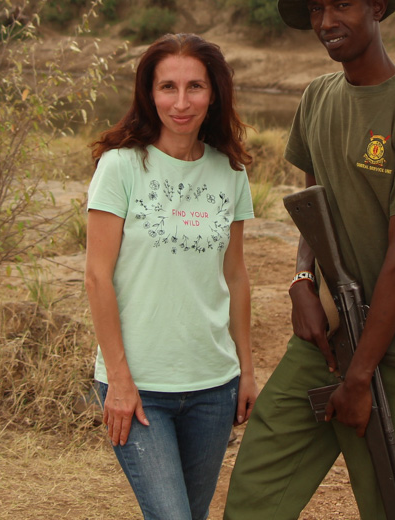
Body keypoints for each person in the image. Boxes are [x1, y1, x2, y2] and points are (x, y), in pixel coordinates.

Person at [224, 0, 395, 519]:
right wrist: (302, 280)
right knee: (258, 484)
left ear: (378, 7)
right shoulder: (317, 99)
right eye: (318, 8)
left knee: (388, 503)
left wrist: (360, 377)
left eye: (342, 5)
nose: (327, 21)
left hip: (393, 347)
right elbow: (312, 210)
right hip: (327, 332)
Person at [85, 33, 258, 520]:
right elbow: (97, 278)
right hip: (140, 387)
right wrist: (118, 379)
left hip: (213, 385)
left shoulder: (231, 172)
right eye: (167, 88)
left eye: (195, 87)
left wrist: (246, 369)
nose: (181, 103)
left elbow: (237, 277)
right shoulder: (120, 167)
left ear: (214, 94)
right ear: (149, 93)